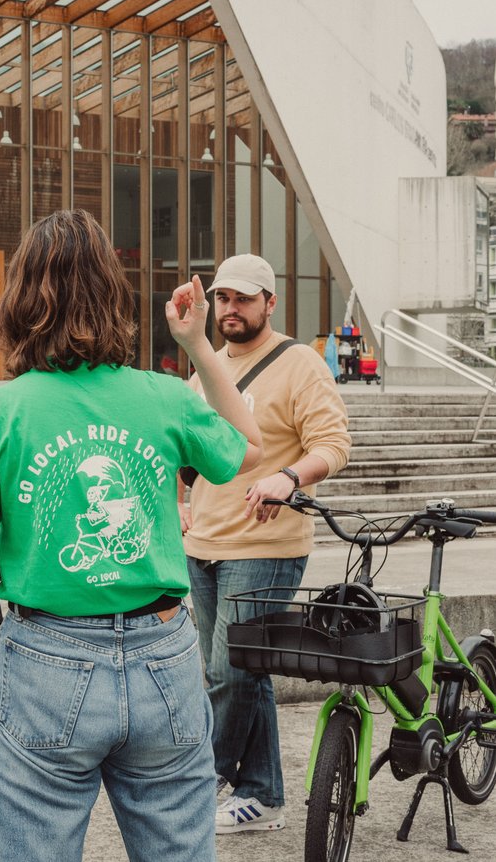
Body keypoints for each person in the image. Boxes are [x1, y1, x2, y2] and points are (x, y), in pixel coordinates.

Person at [0, 209, 263, 862]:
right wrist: (199, 344)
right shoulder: (163, 396)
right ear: (113, 296)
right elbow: (251, 448)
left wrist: (40, 554)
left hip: (43, 663)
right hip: (165, 659)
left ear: (19, 303)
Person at [179, 253, 351, 834]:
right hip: (202, 542)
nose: (231, 309)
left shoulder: (299, 363)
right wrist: (180, 505)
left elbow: (333, 444)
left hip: (266, 544)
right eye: (223, 299)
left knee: (230, 672)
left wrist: (288, 477)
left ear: (270, 303)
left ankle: (198, 782)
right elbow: (187, 454)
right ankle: (262, 794)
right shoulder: (202, 369)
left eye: (244, 299)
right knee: (240, 672)